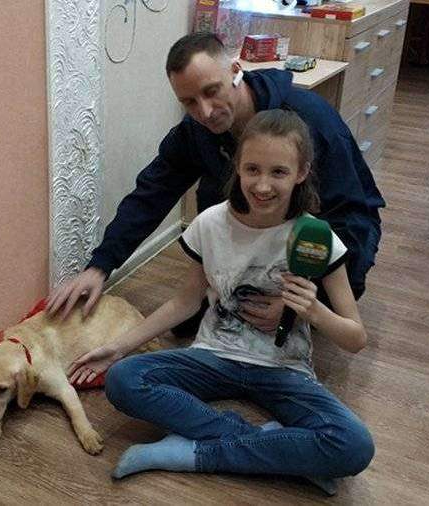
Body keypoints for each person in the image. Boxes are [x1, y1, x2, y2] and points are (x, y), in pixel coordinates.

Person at [66, 110, 375, 494]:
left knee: (354, 445)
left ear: (301, 173)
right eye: (252, 169)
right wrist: (117, 348)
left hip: (284, 370)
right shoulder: (211, 223)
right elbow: (184, 303)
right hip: (213, 357)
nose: (263, 185)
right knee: (123, 380)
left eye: (279, 172)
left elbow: (355, 338)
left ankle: (193, 453)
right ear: (237, 168)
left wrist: (315, 311)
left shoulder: (317, 237)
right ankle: (279, 448)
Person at [47, 32, 384, 336]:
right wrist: (100, 265)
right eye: (189, 102)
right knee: (186, 324)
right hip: (253, 242)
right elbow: (151, 193)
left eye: (211, 92)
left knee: (303, 315)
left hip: (325, 238)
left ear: (235, 71)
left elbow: (351, 218)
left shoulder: (311, 121)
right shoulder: (196, 132)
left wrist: (302, 303)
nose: (205, 112)